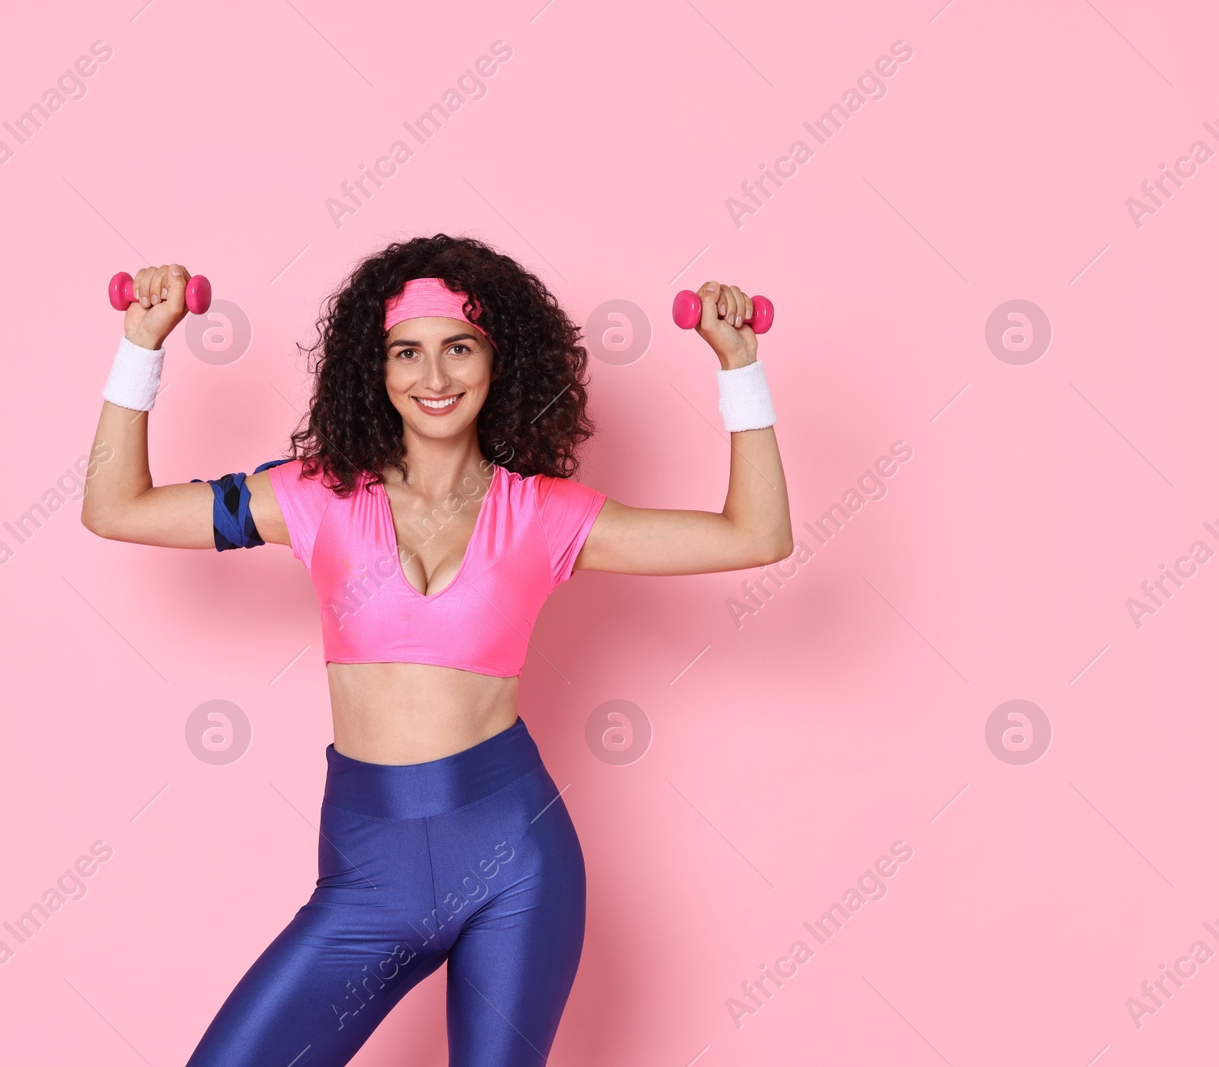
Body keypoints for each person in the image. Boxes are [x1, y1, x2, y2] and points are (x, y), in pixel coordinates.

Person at [81, 233, 792, 1065]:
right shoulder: (315, 497)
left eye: (460, 347)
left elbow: (757, 533)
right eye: (406, 352)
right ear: (374, 370)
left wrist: (738, 366)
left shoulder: (544, 514)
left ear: (500, 361)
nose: (435, 376)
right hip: (367, 873)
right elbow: (116, 508)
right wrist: (140, 346)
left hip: (516, 866)